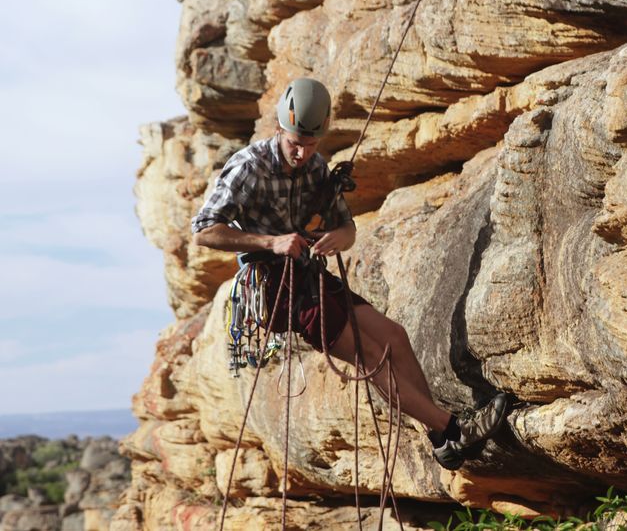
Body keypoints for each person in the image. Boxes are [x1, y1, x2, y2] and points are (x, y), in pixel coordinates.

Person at [190, 77, 508, 470]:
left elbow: (348, 230)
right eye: (294, 143)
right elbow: (204, 231)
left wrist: (335, 239)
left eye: (310, 144)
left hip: (308, 275)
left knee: (394, 336)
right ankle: (455, 430)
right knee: (369, 355)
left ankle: (440, 438)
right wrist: (269, 242)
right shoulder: (248, 168)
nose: (302, 153)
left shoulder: (316, 168)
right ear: (279, 130)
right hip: (277, 288)